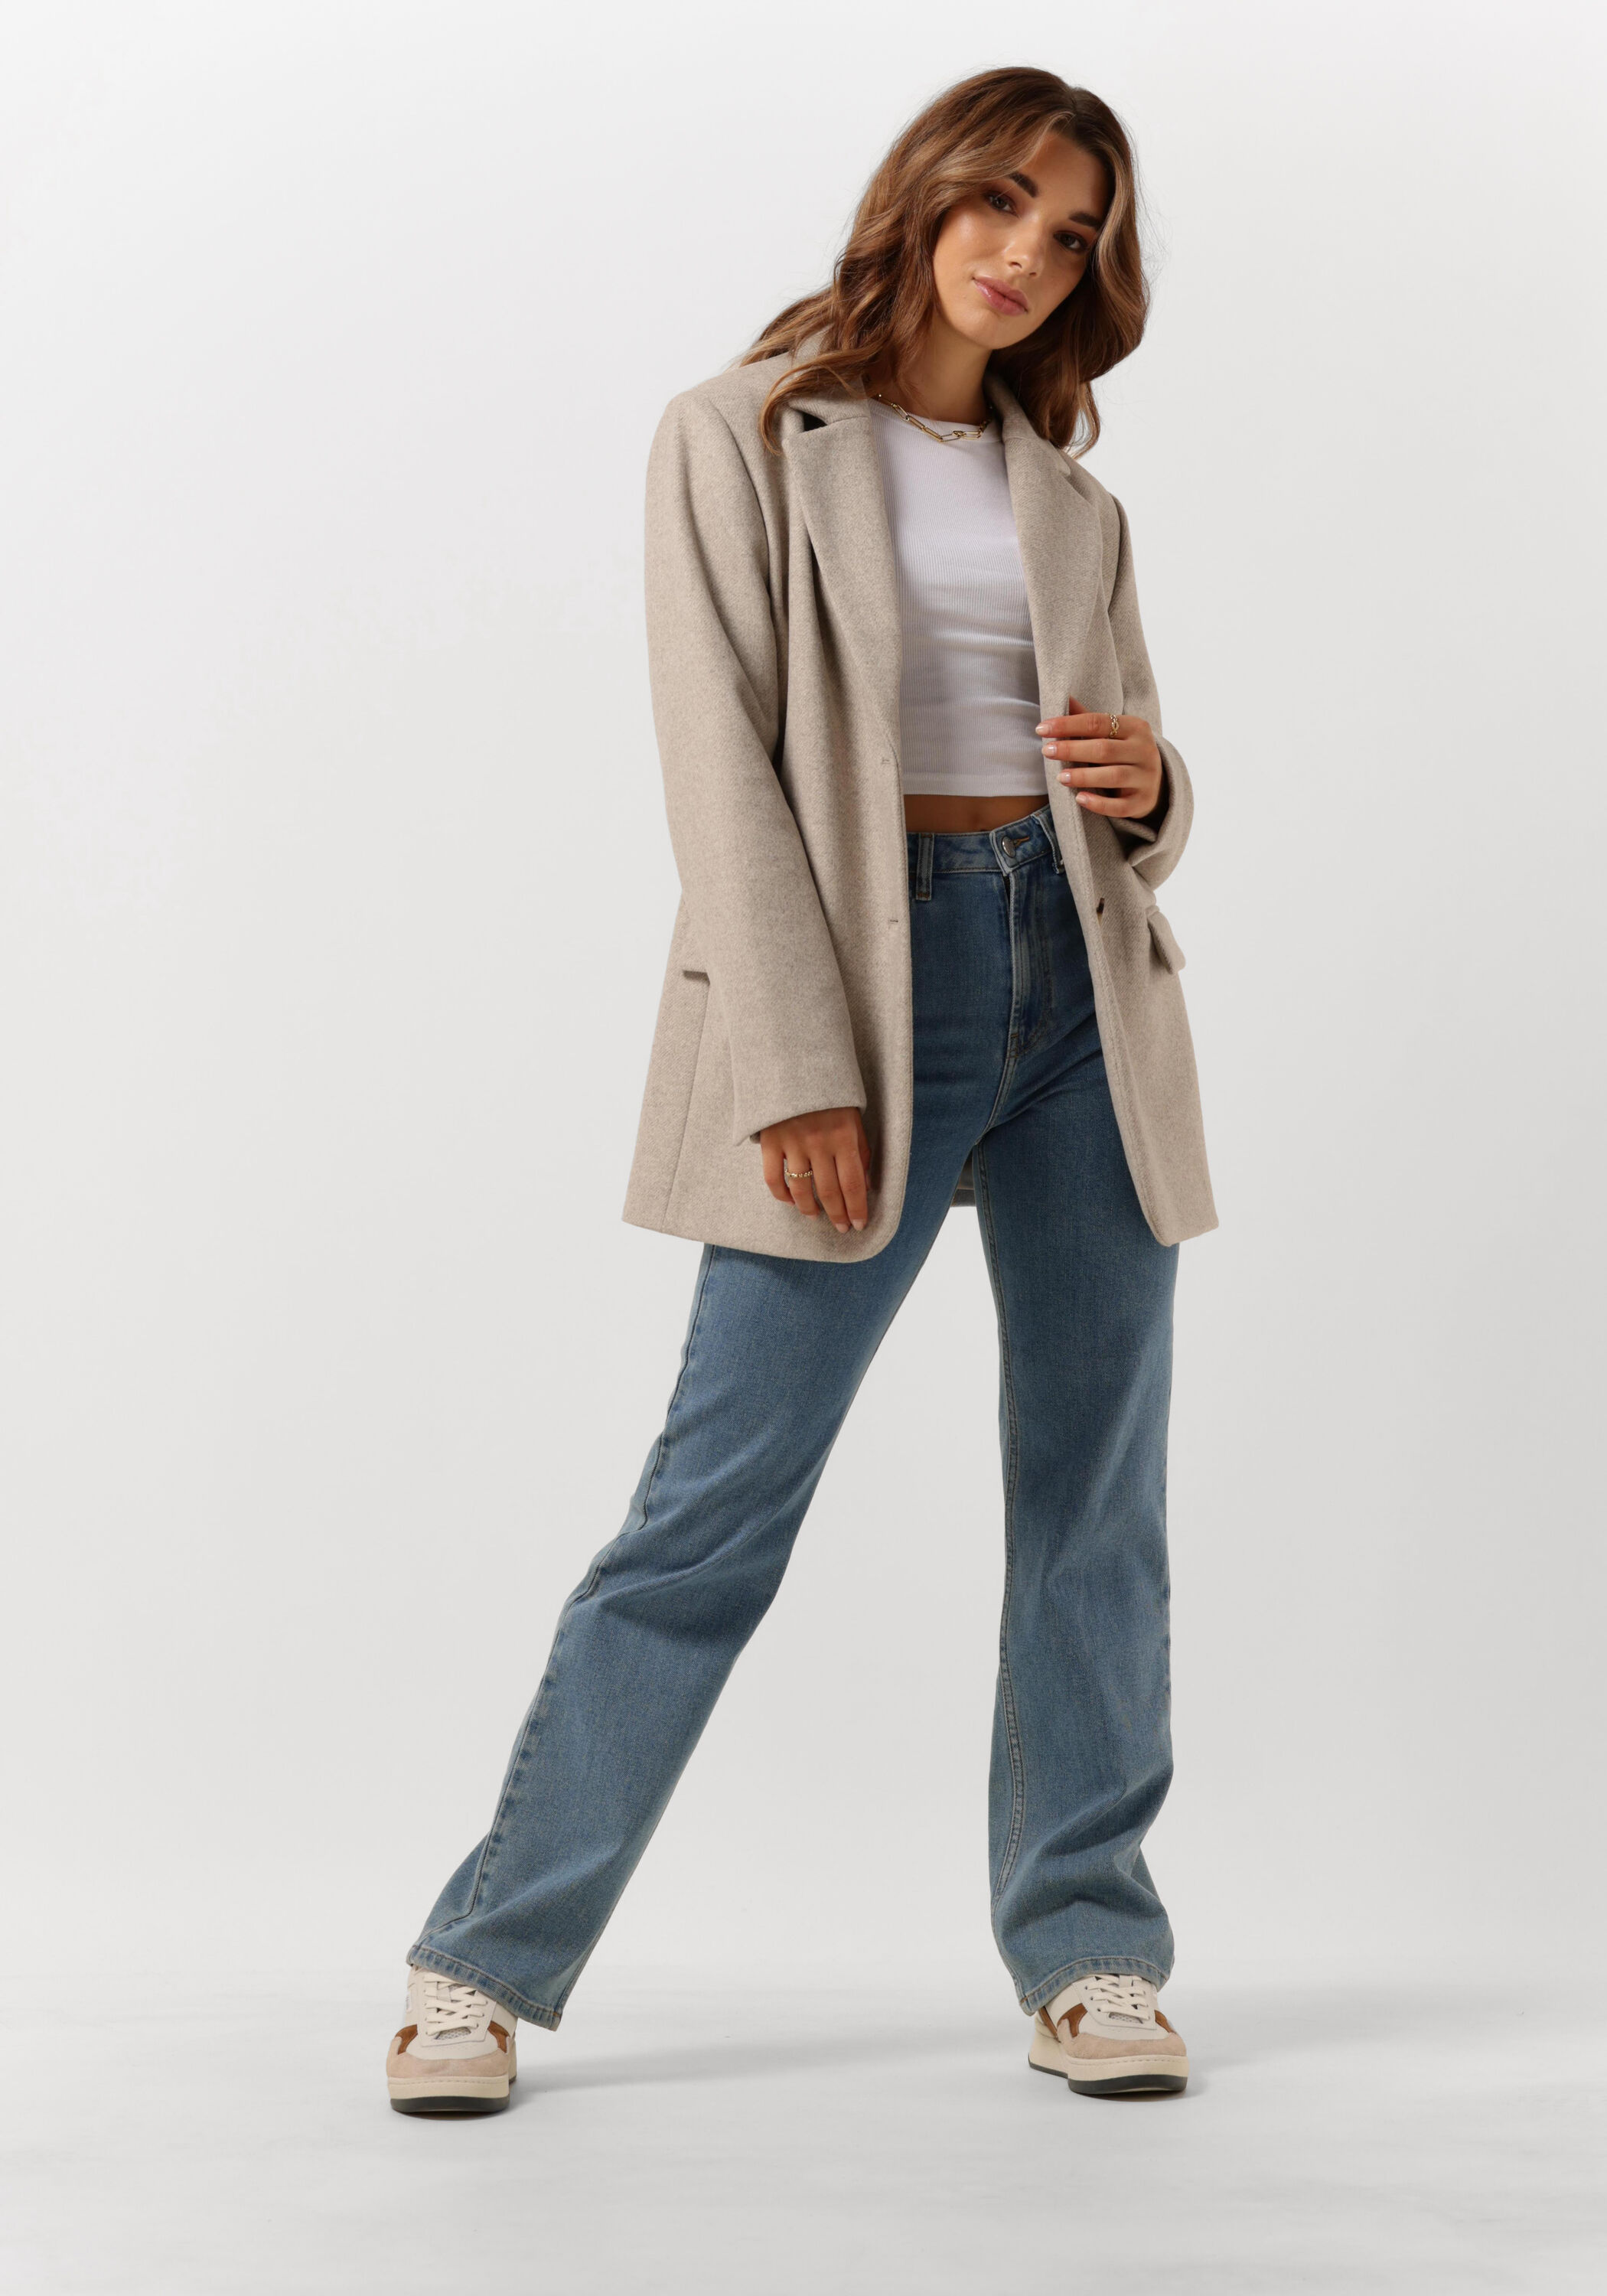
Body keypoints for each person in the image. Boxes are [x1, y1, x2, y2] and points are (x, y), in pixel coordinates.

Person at [386, 64, 1216, 2116]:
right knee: (712, 1511)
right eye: (1003, 201)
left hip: (1075, 994)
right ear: (925, 195)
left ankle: (1092, 1950)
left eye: (1074, 235)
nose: (1028, 254)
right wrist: (792, 1061)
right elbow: (720, 767)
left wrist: (1155, 790)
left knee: (1095, 1504)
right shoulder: (741, 434)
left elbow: (1123, 781)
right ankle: (482, 1963)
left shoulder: (1072, 500)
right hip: (861, 979)